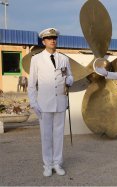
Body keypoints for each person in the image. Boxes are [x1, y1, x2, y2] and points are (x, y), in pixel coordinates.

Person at [28, 28, 74, 176]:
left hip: (60, 101)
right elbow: (31, 83)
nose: (52, 40)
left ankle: (57, 163)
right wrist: (34, 103)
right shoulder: (36, 59)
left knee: (59, 135)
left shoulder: (64, 58)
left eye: (54, 38)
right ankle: (47, 164)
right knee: (46, 135)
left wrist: (70, 79)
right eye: (49, 38)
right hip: (44, 104)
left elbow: (69, 75)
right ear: (43, 41)